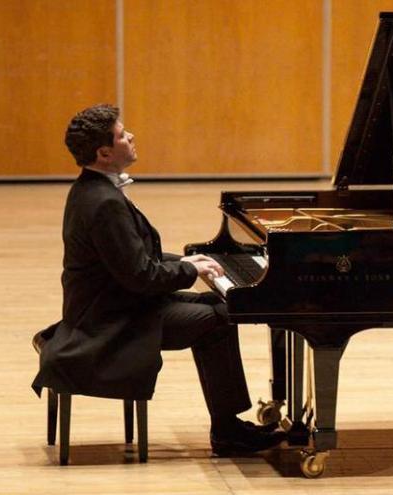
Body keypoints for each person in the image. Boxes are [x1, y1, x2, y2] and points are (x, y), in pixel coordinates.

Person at [31, 104, 282, 455]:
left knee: (220, 307)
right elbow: (141, 276)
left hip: (115, 304)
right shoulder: (104, 202)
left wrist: (185, 261)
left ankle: (228, 427)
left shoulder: (90, 190)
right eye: (122, 135)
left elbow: (130, 258)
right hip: (115, 321)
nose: (130, 136)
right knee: (220, 318)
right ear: (104, 153)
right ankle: (227, 431)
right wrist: (190, 271)